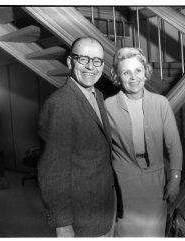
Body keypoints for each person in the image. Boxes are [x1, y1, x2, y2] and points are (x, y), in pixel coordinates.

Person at [37, 37, 116, 237]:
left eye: (97, 60)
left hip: (104, 210)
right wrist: (62, 224)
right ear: (70, 62)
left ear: (103, 65)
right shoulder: (60, 104)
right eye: (83, 59)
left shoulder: (97, 95)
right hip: (81, 219)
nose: (91, 66)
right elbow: (53, 171)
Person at [105, 47, 183, 237]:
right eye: (126, 72)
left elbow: (174, 145)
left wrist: (175, 179)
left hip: (155, 185)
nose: (133, 77)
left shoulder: (161, 103)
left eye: (138, 70)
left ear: (146, 72)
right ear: (117, 76)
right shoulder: (107, 106)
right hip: (123, 185)